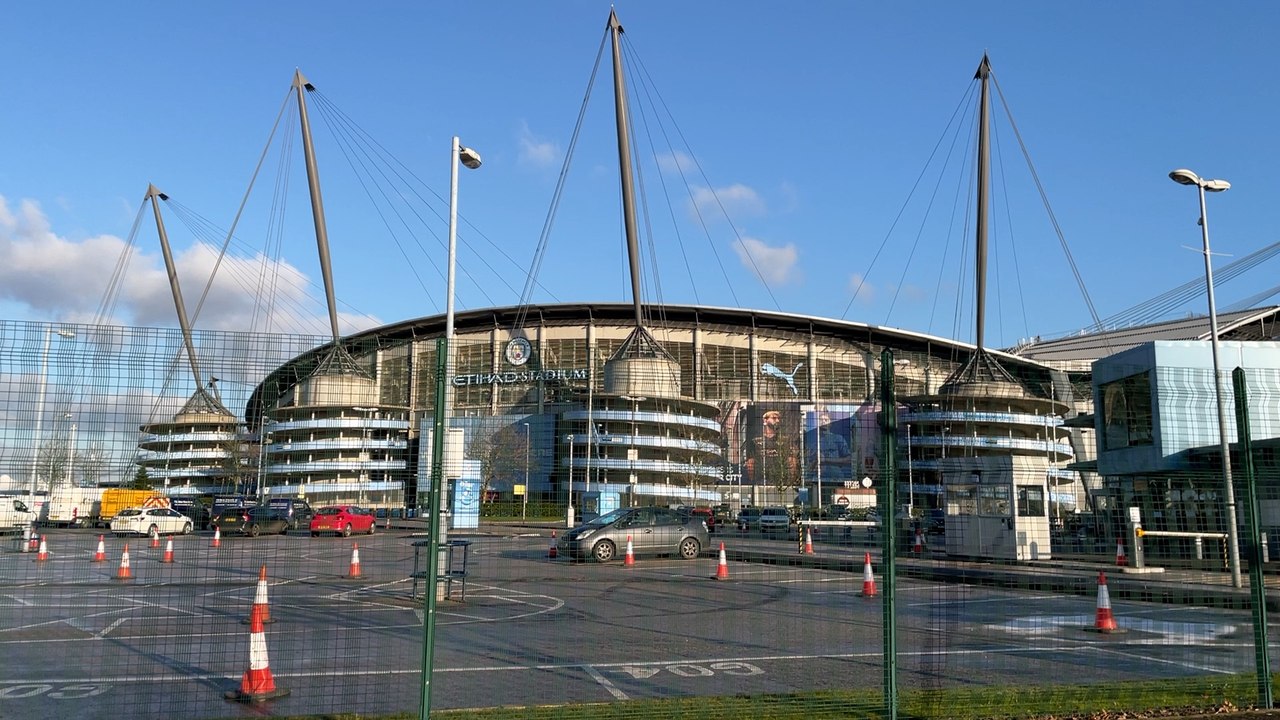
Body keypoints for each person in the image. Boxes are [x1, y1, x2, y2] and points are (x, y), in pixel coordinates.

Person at [745, 409, 797, 486]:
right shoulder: (755, 442)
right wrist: (753, 482)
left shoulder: (785, 440)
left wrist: (790, 482)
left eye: (778, 418)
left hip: (781, 481)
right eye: (774, 418)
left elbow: (792, 462)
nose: (777, 421)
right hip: (761, 481)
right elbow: (750, 464)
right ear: (765, 420)